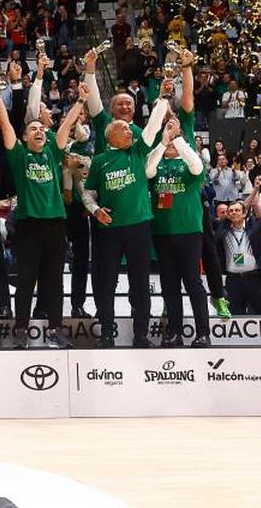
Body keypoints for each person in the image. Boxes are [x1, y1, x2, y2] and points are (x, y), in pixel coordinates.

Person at [0, 84, 86, 349]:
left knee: (54, 281)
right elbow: (6, 127)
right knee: (26, 280)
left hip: (56, 224)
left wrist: (81, 100)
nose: (39, 131)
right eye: (33, 129)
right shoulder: (20, 156)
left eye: (41, 129)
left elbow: (66, 125)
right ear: (24, 137)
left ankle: (56, 329)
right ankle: (21, 330)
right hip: (29, 225)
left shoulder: (52, 152)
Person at [81, 90, 168, 348]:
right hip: (109, 229)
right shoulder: (99, 161)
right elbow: (87, 193)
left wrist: (162, 100)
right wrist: (95, 210)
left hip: (139, 226)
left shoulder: (137, 152)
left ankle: (141, 334)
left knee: (140, 283)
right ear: (112, 135)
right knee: (106, 282)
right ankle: (107, 333)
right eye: (125, 130)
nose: (131, 132)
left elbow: (152, 129)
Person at [146, 116, 210, 348]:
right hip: (162, 233)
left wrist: (178, 138)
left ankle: (203, 333)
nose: (172, 139)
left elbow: (197, 166)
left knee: (193, 282)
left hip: (189, 231)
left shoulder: (190, 162)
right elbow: (148, 171)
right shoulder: (157, 161)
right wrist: (164, 140)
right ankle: (174, 331)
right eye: (168, 133)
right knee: (169, 284)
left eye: (176, 135)